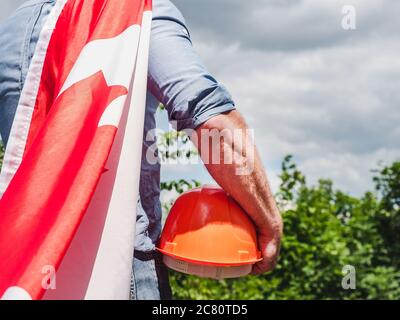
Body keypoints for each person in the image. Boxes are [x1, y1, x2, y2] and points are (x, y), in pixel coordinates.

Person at [0, 0, 283, 300]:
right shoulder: (138, 11)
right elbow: (211, 124)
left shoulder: (11, 31)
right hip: (120, 265)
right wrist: (269, 223)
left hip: (26, 263)